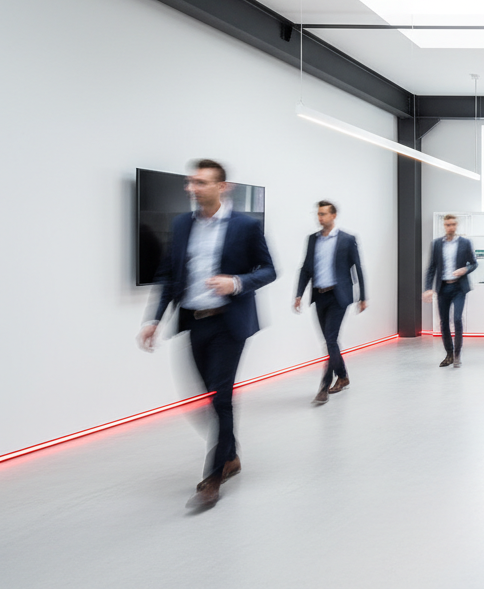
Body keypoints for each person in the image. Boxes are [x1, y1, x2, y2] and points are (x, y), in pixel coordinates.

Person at [137, 160, 276, 509]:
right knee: (204, 397)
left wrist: (237, 282)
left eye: (200, 182)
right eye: (190, 182)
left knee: (221, 397)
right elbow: (169, 276)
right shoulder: (182, 224)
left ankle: (213, 477)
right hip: (194, 321)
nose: (192, 188)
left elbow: (269, 269)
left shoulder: (246, 226)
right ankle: (230, 454)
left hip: (229, 323)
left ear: (222, 187)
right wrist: (154, 319)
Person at [294, 200, 367, 405]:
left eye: (324, 214)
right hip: (319, 296)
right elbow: (306, 268)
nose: (320, 218)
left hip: (339, 296)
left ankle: (324, 386)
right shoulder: (312, 240)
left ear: (333, 216)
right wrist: (299, 294)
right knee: (329, 340)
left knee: (331, 340)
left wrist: (363, 296)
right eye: (318, 214)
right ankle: (342, 376)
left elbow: (358, 267)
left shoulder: (347, 239)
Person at [422, 214, 477, 368]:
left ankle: (457, 354)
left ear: (456, 225)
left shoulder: (465, 243)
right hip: (443, 288)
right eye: (448, 225)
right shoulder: (436, 244)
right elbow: (431, 267)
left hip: (459, 288)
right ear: (444, 226)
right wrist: (428, 288)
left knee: (457, 319)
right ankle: (449, 354)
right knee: (444, 322)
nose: (451, 227)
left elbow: (474, 263)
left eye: (453, 224)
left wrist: (465, 269)